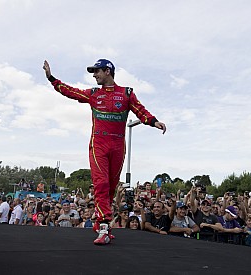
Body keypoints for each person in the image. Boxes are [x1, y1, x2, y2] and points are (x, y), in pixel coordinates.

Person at [43, 59, 166, 245]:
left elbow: (140, 110)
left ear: (108, 71)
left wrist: (153, 121)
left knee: (110, 186)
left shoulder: (126, 93)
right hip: (98, 144)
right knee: (100, 183)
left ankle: (101, 222)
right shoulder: (93, 94)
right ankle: (103, 226)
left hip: (118, 146)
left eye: (97, 71)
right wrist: (52, 78)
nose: (94, 75)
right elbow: (71, 92)